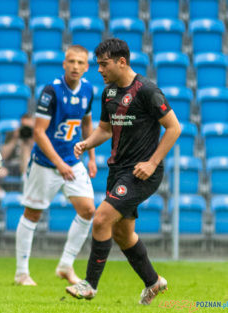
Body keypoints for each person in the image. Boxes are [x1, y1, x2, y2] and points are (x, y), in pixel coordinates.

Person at [66, 38, 181, 305]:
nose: (99, 70)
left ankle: (89, 285)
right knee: (122, 234)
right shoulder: (108, 93)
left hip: (143, 172)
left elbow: (174, 128)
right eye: (98, 65)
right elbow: (105, 130)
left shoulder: (148, 91)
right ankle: (154, 283)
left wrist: (152, 163)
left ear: (122, 61)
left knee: (101, 218)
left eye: (103, 64)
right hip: (118, 171)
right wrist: (86, 143)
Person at [14, 45, 97, 286]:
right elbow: (39, 132)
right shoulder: (51, 91)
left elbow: (87, 124)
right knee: (32, 214)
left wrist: (91, 157)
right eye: (71, 61)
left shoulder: (89, 90)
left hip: (73, 161)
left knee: (88, 210)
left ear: (86, 67)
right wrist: (58, 163)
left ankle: (65, 265)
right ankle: (21, 273)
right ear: (64, 64)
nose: (75, 66)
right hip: (45, 164)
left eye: (80, 63)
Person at [0, 113, 35, 198]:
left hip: (28, 168)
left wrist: (29, 142)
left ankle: (26, 187)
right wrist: (14, 140)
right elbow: (3, 156)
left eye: (29, 127)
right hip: (10, 167)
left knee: (25, 151)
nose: (26, 129)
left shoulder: (37, 136)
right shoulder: (12, 134)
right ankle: (0, 193)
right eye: (24, 126)